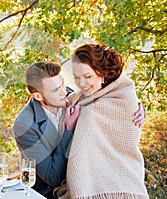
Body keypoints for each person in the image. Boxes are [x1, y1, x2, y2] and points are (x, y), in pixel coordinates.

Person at [13, 62, 145, 199]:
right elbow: (52, 177)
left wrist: (137, 110)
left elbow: (110, 104)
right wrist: (69, 130)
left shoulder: (71, 96)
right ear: (38, 96)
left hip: (89, 177)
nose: (64, 92)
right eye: (55, 90)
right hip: (50, 193)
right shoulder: (24, 125)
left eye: (62, 84)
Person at [61, 44, 149, 199]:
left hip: (122, 183)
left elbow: (122, 114)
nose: (81, 83)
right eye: (76, 77)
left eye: (87, 77)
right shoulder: (82, 98)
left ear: (102, 73)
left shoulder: (122, 94)